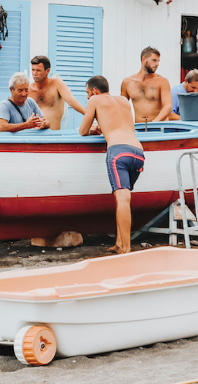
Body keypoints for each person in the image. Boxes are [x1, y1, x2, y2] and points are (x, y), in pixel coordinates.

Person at [79, 75, 144, 254]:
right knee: (122, 199)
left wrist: (93, 129)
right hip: (138, 152)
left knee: (122, 199)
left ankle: (126, 249)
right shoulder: (123, 100)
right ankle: (118, 243)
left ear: (94, 91)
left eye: (87, 93)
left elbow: (83, 131)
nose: (87, 97)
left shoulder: (95, 100)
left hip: (118, 153)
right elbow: (119, 123)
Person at [28, 54, 88, 132]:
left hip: (53, 135)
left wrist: (90, 116)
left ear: (47, 71)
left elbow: (72, 102)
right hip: (32, 136)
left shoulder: (57, 84)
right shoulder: (28, 89)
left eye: (38, 70)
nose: (34, 74)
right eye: (33, 70)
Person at [121, 46, 173, 124]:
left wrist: (155, 122)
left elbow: (168, 106)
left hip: (159, 126)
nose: (157, 64)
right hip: (139, 127)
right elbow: (122, 107)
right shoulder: (128, 82)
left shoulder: (162, 81)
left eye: (158, 61)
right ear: (143, 59)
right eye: (154, 60)